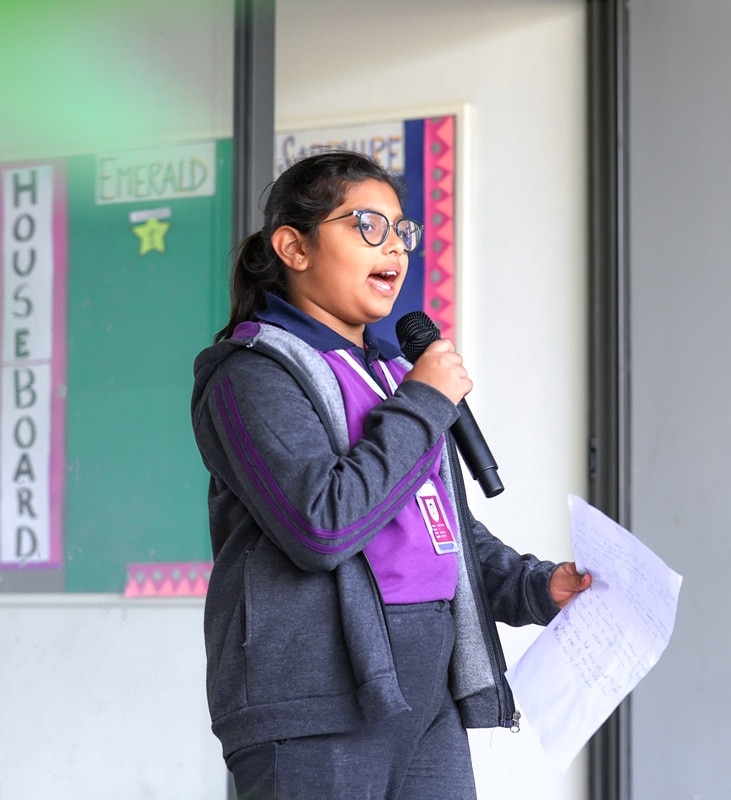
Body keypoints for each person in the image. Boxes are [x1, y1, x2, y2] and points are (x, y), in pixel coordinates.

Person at [191, 150, 591, 800]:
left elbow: (439, 532)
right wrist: (427, 401)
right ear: (294, 247)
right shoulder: (250, 372)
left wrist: (538, 586)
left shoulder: (388, 374)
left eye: (402, 230)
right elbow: (322, 524)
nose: (395, 248)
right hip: (312, 701)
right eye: (366, 225)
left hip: (426, 690)